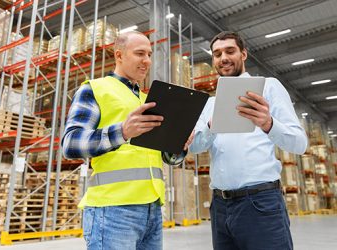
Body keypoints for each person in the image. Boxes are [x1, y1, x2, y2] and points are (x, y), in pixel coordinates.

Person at [62, 31, 189, 250]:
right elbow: (71, 143)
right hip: (113, 210)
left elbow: (162, 157)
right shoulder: (95, 89)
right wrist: (122, 131)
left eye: (149, 54)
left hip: (152, 209)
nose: (147, 60)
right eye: (140, 53)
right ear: (119, 55)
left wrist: (178, 145)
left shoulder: (148, 100)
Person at [189, 31, 308, 250]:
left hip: (259, 202)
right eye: (217, 54)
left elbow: (300, 144)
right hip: (220, 208)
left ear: (244, 54)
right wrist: (210, 126)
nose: (223, 57)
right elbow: (195, 147)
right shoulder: (210, 104)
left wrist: (268, 123)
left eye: (230, 51)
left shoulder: (268, 87)